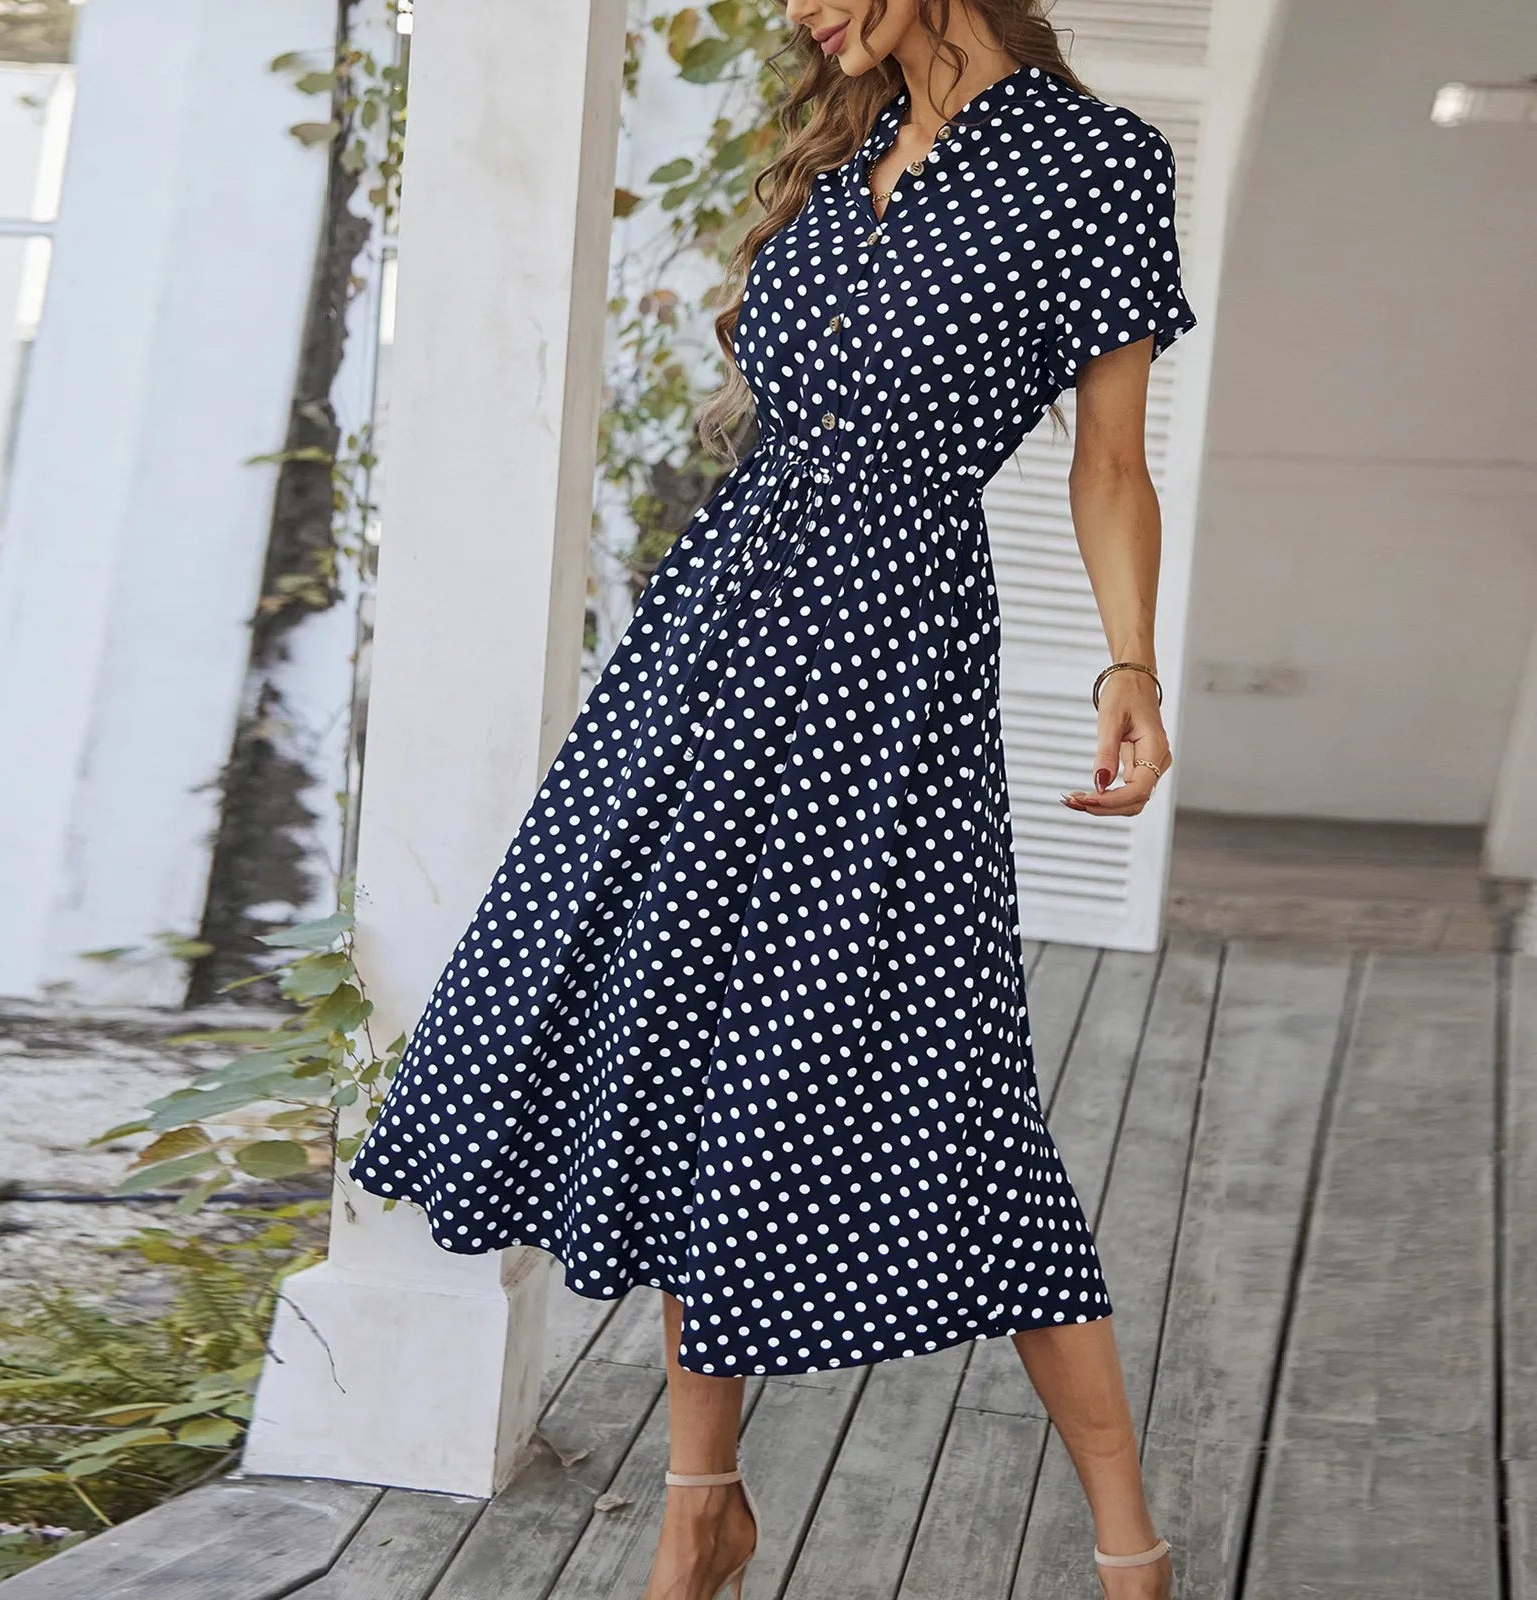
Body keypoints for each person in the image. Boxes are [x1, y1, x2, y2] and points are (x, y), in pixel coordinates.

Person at [348, 2, 1197, 1596]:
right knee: (685, 1046)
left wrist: (1130, 666)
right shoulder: (847, 140)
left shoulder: (1096, 163)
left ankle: (1128, 1545)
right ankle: (702, 1506)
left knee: (954, 1085)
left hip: (890, 657)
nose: (799, 9)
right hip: (718, 638)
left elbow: (1109, 464)